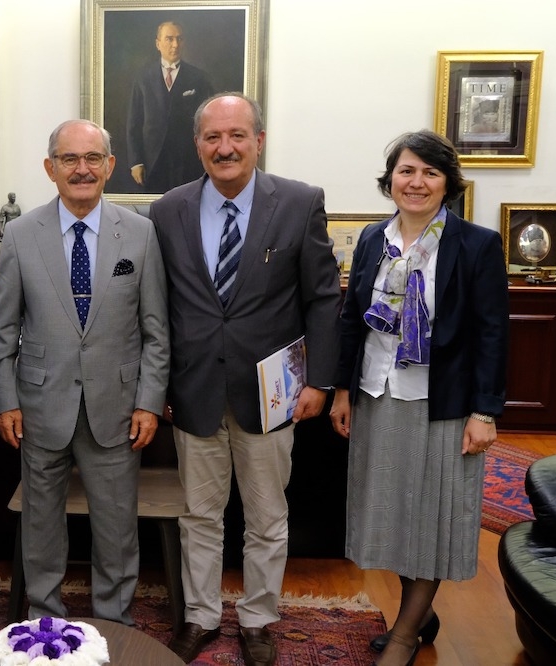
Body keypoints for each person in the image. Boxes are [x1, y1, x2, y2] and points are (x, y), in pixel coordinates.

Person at [150, 93, 340, 666]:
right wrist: (158, 388)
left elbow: (323, 298)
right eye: (213, 137)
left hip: (273, 394)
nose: (225, 147)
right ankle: (201, 615)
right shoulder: (167, 210)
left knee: (266, 516)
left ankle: (258, 619)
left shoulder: (300, 202)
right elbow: (159, 306)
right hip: (194, 391)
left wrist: (320, 381)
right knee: (199, 515)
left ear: (259, 140)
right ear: (198, 145)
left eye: (237, 135)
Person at [329, 130, 509, 666]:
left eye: (431, 173)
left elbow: (492, 332)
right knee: (395, 514)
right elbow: (352, 319)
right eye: (406, 171)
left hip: (443, 402)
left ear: (448, 184)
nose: (417, 182)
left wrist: (484, 411)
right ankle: (421, 613)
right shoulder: (372, 239)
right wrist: (342, 390)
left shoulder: (476, 244)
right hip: (377, 392)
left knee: (431, 515)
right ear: (390, 180)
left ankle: (405, 635)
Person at [0, 119, 169, 624]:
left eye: (93, 158)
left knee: (117, 526)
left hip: (117, 408)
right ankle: (44, 617)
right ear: (51, 168)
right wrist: (6, 401)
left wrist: (149, 402)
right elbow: (3, 332)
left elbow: (156, 331)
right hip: (39, 407)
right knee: (41, 523)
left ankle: (114, 619)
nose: (82, 169)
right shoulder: (20, 235)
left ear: (110, 166)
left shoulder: (141, 233)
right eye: (69, 159)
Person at [127, 21, 214, 192]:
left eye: (179, 39)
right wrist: (136, 162)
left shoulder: (199, 78)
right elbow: (134, 123)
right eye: (169, 39)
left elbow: (209, 123)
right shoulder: (143, 77)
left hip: (187, 161)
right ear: (158, 43)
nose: (175, 44)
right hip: (152, 161)